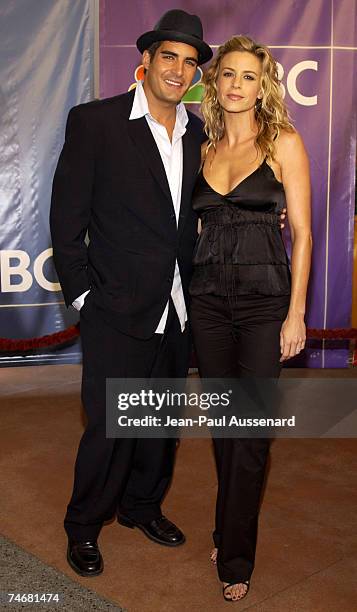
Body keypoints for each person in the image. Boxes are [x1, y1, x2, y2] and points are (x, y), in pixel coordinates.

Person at [50, 9, 213, 577]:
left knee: (161, 425)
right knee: (109, 425)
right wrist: (82, 297)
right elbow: (67, 216)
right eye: (169, 56)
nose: (178, 69)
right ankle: (83, 525)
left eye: (189, 61)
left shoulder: (201, 134)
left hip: (178, 306)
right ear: (145, 61)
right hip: (114, 305)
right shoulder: (96, 121)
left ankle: (141, 506)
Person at [189, 35, 312, 601]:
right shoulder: (203, 147)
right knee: (224, 424)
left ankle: (236, 556)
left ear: (264, 86)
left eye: (248, 76)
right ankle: (227, 523)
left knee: (252, 432)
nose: (237, 85)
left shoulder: (283, 142)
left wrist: (297, 315)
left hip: (266, 305)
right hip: (209, 303)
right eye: (228, 75)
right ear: (214, 83)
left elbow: (304, 234)